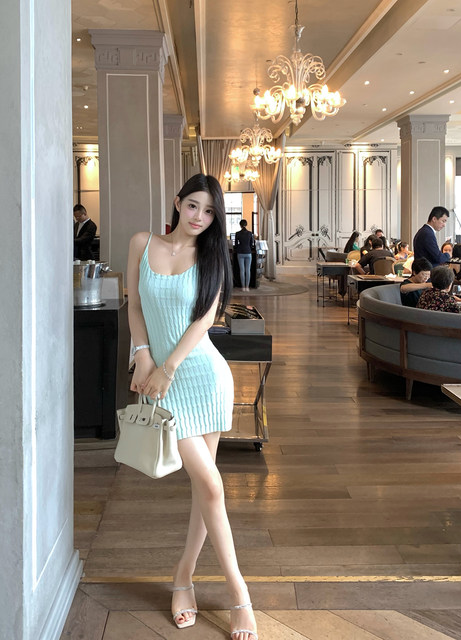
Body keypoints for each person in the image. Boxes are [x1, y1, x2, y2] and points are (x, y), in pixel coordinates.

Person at [126, 174, 258, 640]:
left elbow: (204, 320)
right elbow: (135, 306)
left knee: (207, 488)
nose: (199, 217)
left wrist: (167, 367)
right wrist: (143, 356)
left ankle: (201, 581)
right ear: (178, 202)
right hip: (163, 383)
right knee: (210, 486)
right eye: (193, 206)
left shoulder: (212, 255)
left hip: (202, 376)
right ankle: (219, 586)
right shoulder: (142, 243)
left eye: (209, 211)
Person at [235, 219, 255, 292]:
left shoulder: (237, 233)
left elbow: (236, 244)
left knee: (242, 270)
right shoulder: (250, 233)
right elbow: (251, 244)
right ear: (246, 225)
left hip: (240, 252)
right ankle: (247, 287)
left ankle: (243, 287)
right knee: (248, 270)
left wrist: (239, 248)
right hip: (248, 252)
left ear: (240, 225)